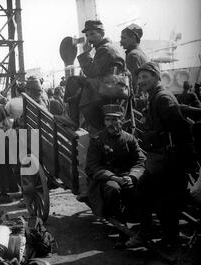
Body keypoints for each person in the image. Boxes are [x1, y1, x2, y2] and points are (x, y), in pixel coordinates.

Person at [126, 62, 196, 249]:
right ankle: (163, 237)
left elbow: (181, 130)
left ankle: (153, 236)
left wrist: (181, 160)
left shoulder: (162, 98)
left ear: (157, 76)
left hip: (169, 159)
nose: (140, 81)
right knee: (160, 199)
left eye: (145, 77)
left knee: (153, 196)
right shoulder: (154, 97)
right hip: (161, 158)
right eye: (139, 78)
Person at [85, 104, 145, 247]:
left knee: (143, 187)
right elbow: (92, 166)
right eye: (108, 120)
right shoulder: (97, 140)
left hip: (126, 176)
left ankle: (143, 227)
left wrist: (132, 176)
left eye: (114, 119)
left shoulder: (129, 139)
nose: (111, 123)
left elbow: (140, 160)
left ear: (122, 121)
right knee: (114, 190)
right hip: (104, 180)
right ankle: (122, 230)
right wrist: (113, 177)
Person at [77, 20, 126, 133]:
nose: (89, 38)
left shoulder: (104, 49)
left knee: (73, 81)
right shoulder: (106, 47)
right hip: (110, 89)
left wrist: (85, 54)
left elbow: (91, 72)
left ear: (102, 34)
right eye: (87, 35)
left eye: (93, 34)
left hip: (106, 92)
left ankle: (74, 119)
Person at [120, 24, 149, 94]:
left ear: (133, 38)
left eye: (123, 38)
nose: (121, 42)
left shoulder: (133, 56)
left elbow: (134, 83)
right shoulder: (139, 53)